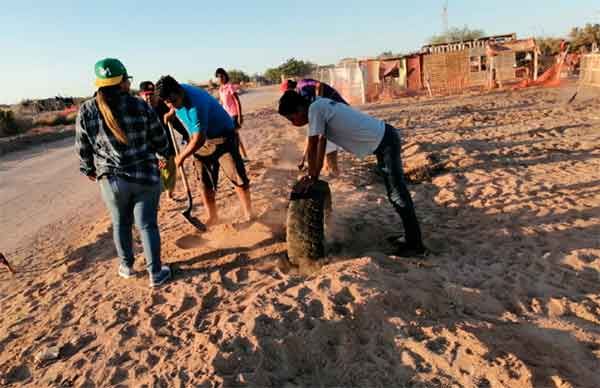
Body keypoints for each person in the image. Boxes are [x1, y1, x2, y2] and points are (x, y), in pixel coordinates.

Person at [278, 90, 426, 256]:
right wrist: (314, 174)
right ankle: (410, 237)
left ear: (299, 109)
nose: (293, 123)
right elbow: (320, 143)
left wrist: (312, 176)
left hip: (386, 142)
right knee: (396, 193)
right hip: (385, 138)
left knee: (397, 195)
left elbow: (316, 142)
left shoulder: (315, 109)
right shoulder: (318, 105)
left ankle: (415, 244)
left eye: (292, 118)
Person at [75, 58, 172, 287]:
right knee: (147, 224)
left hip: (112, 181)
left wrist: (89, 169)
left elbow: (82, 148)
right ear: (122, 82)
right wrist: (164, 154)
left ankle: (127, 267)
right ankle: (155, 274)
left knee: (120, 223)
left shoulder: (86, 109)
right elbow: (160, 139)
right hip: (145, 177)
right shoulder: (139, 105)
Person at [156, 75, 252, 226]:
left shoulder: (196, 104)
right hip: (202, 140)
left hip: (223, 137)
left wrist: (180, 157)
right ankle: (213, 217)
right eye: (168, 103)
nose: (172, 105)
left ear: (179, 91)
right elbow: (198, 138)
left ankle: (249, 215)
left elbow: (198, 140)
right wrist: (171, 113)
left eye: (174, 101)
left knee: (237, 178)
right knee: (204, 183)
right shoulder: (174, 94)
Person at [281, 79, 347, 176]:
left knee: (327, 142)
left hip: (336, 111)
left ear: (291, 90)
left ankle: (333, 170)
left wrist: (318, 101)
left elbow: (319, 85)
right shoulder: (303, 99)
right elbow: (311, 133)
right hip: (331, 112)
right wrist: (303, 159)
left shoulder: (302, 86)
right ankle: (328, 168)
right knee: (322, 140)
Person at [139, 81, 189, 200]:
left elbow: (175, 122)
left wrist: (185, 134)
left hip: (167, 144)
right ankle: (155, 200)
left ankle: (169, 195)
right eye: (146, 95)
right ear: (141, 95)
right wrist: (155, 155)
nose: (149, 97)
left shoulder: (163, 105)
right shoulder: (139, 109)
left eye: (151, 94)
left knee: (170, 171)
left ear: (156, 94)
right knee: (154, 175)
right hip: (149, 149)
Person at [215, 68, 248, 159]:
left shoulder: (230, 86)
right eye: (218, 77)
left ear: (225, 76)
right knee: (233, 136)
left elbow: (237, 101)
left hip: (234, 115)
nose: (220, 78)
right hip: (226, 116)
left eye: (222, 76)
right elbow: (221, 103)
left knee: (233, 137)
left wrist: (240, 116)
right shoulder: (221, 89)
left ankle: (238, 157)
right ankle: (241, 156)